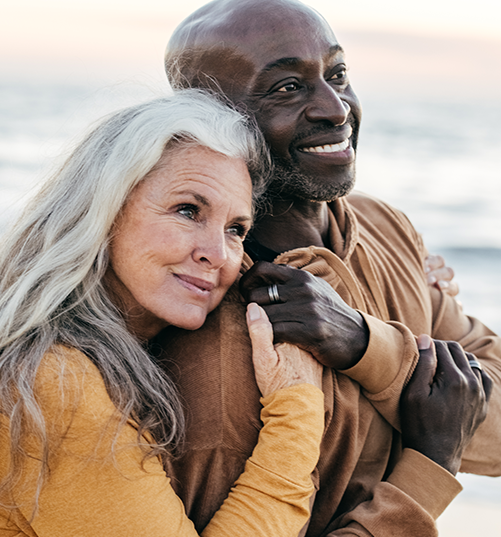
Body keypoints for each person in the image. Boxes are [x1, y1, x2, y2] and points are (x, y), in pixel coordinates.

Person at [157, 0, 501, 536]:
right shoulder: (215, 313)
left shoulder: (386, 228)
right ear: (211, 120)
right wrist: (431, 462)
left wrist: (363, 344)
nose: (336, 107)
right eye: (287, 87)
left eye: (338, 72)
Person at [0, 91, 325, 536]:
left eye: (236, 230)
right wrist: (297, 407)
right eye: (187, 211)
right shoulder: (58, 384)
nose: (217, 254)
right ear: (104, 208)